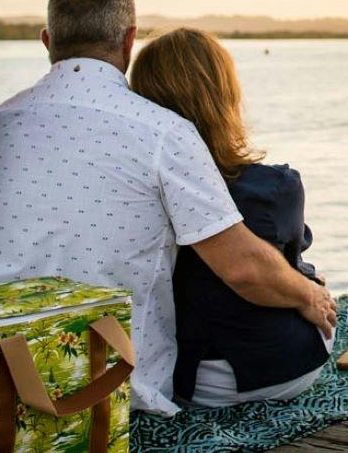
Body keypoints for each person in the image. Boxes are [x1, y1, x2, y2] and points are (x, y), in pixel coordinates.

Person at [0, 0, 335, 415]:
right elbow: (242, 267)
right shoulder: (164, 132)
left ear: (46, 40)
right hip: (111, 390)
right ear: (128, 41)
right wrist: (310, 294)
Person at [130, 27, 334, 407]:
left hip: (186, 378)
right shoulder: (275, 186)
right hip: (282, 370)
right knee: (308, 275)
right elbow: (264, 267)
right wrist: (311, 287)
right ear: (225, 96)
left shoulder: (139, 195)